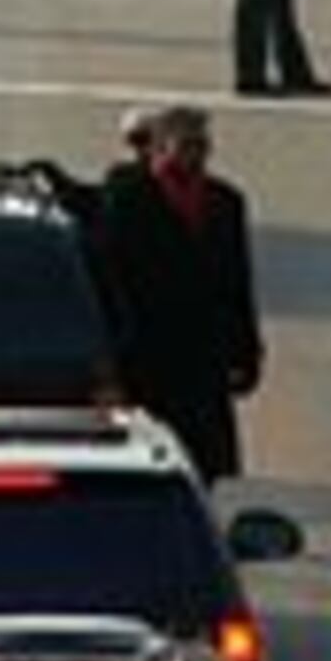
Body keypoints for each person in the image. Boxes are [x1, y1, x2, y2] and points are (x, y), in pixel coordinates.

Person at [97, 106, 266, 480]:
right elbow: (108, 278)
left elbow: (237, 281)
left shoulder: (225, 203)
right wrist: (108, 364)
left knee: (204, 464)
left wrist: (247, 350)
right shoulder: (128, 195)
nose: (197, 153)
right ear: (159, 147)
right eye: (186, 143)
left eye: (203, 144)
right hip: (146, 355)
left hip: (204, 357)